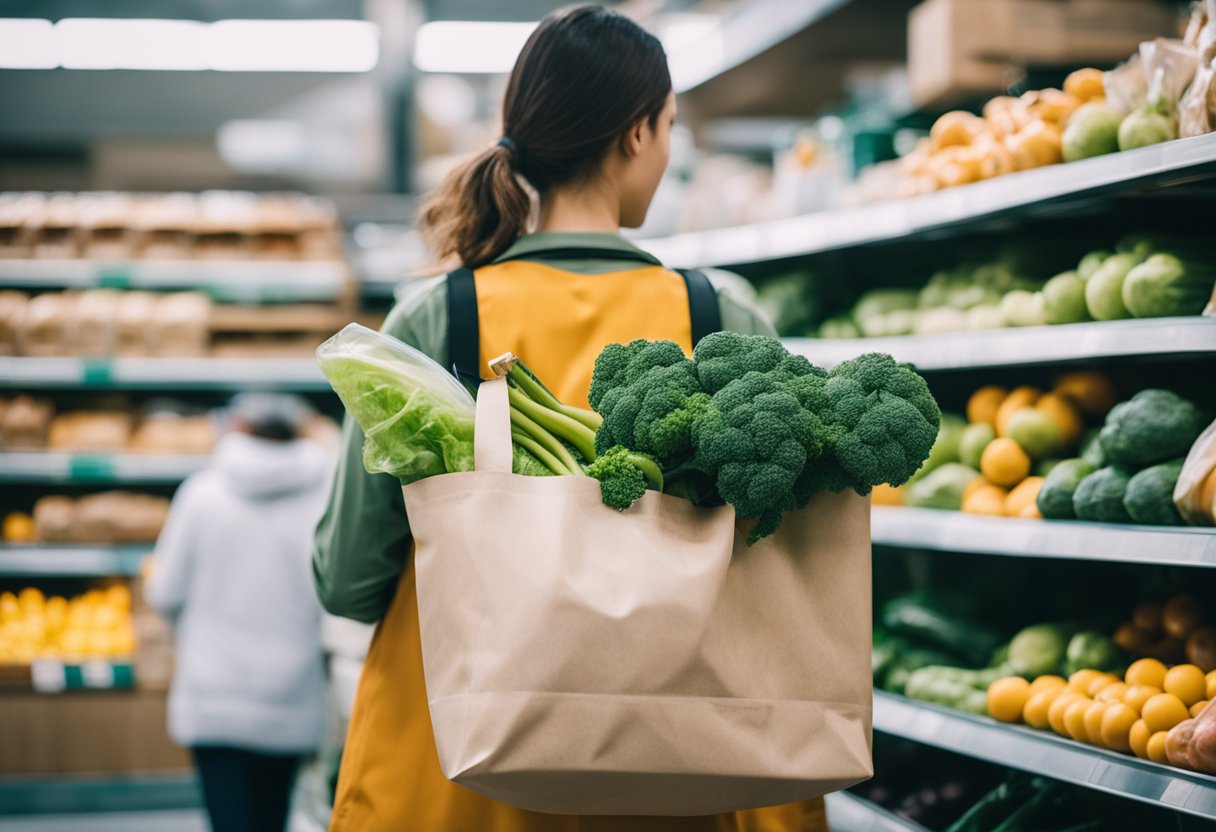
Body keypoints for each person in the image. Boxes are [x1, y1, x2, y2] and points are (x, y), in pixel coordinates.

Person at [312, 6, 829, 831]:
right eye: (668, 126)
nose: (666, 149)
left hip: (459, 778)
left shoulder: (433, 320)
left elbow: (346, 581)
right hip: (681, 772)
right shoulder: (720, 314)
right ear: (635, 134)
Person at [146, 393, 332, 832]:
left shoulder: (200, 494)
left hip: (215, 694)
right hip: (290, 694)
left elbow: (163, 591)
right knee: (272, 819)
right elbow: (333, 596)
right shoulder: (321, 499)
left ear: (240, 428)